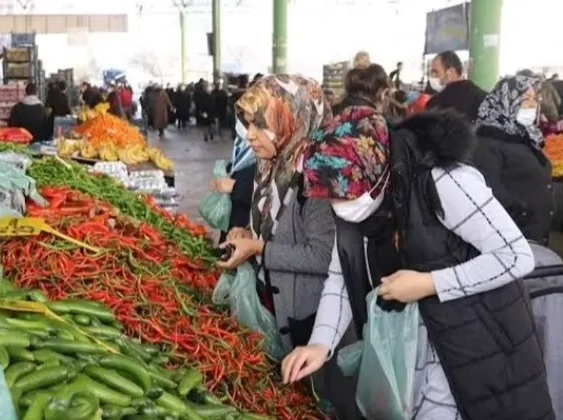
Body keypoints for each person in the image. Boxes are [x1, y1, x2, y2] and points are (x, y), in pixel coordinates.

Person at [284, 63, 554, 420]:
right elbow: (340, 271)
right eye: (331, 199)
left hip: (480, 344)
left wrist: (429, 283)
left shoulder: (442, 182)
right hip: (419, 346)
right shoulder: (352, 191)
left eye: (344, 196)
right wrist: (321, 343)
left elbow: (516, 256)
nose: (339, 206)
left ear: (378, 170)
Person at [218, 74, 335, 352]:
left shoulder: (316, 178)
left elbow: (323, 256)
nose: (249, 134)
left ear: (290, 120)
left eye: (260, 124)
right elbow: (272, 227)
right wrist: (247, 233)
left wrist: (258, 248)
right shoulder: (270, 166)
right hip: (272, 301)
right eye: (249, 124)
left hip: (305, 320)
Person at [472, 74, 553, 245]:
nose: (533, 104)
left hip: (535, 235)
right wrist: (524, 217)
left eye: (534, 98)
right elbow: (490, 190)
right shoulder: (487, 141)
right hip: (512, 238)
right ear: (505, 100)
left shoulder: (525, 136)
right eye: (525, 99)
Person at [426, 50, 487, 122]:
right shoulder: (483, 97)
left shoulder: (435, 103)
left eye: (435, 72)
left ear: (451, 72)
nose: (432, 77)